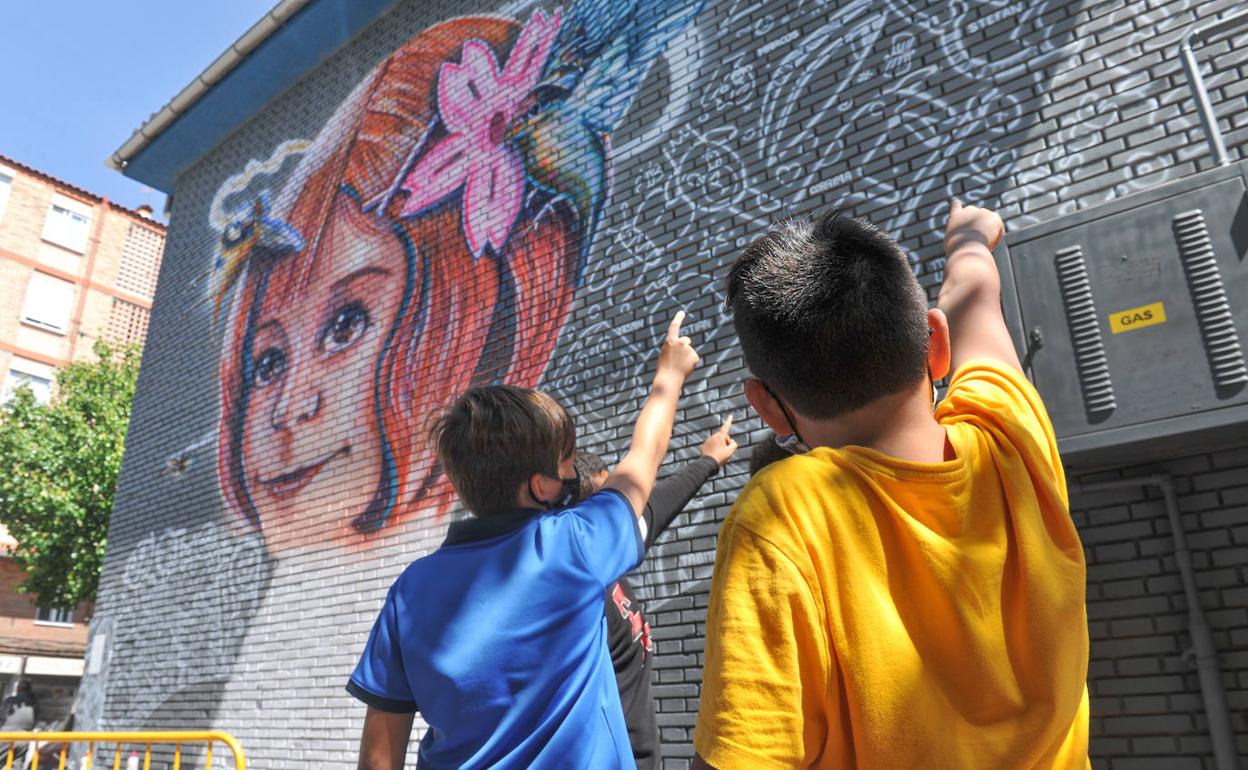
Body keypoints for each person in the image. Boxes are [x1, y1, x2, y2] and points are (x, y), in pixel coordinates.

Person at [693, 202, 1089, 769]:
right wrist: (969, 237)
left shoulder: (786, 513)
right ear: (935, 344)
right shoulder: (1011, 437)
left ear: (767, 409)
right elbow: (974, 294)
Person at [349, 311, 700, 769]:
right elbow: (642, 461)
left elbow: (380, 748)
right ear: (542, 486)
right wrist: (668, 376)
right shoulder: (574, 546)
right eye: (568, 462)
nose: (575, 474)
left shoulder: (410, 591)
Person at [577, 418, 738, 770]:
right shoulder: (579, 578)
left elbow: (660, 502)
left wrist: (708, 460)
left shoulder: (607, 560)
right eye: (606, 500)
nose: (622, 512)